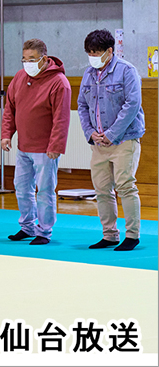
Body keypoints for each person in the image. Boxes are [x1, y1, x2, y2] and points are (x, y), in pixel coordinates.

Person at [78, 29, 146, 251]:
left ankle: (133, 235)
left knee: (126, 186)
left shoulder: (127, 71)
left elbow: (132, 105)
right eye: (89, 52)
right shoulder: (88, 74)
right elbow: (82, 106)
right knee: (102, 189)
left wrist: (111, 133)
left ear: (109, 51)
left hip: (124, 140)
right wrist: (90, 133)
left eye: (96, 52)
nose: (92, 56)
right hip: (98, 143)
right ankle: (109, 235)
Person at [1, 39, 71, 245]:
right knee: (21, 188)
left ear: (44, 59)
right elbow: (10, 109)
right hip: (24, 147)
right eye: (24, 59)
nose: (27, 63)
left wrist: (56, 146)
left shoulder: (59, 83)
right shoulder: (19, 77)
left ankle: (44, 231)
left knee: (45, 190)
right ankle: (27, 226)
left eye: (31, 59)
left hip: (45, 149)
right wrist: (7, 134)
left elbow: (62, 119)